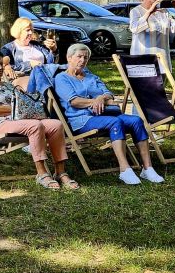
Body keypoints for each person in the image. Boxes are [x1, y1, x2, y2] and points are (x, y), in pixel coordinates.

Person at [54, 43, 164, 185]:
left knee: (136, 120)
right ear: (69, 58)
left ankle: (147, 168)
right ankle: (125, 169)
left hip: (105, 114)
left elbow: (109, 95)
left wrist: (101, 98)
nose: (82, 60)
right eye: (79, 56)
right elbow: (74, 101)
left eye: (85, 58)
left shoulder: (92, 77)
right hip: (82, 119)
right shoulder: (62, 78)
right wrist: (95, 101)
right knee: (115, 122)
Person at [0, 48, 77, 190]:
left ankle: (60, 172)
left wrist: (27, 106)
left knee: (56, 124)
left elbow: (24, 102)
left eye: (1, 64)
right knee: (35, 126)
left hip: (20, 121)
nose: (0, 67)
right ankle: (42, 173)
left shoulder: (9, 86)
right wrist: (18, 108)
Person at [130, 0, 175, 70]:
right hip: (143, 63)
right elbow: (135, 29)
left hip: (163, 62)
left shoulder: (163, 12)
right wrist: (149, 12)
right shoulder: (136, 11)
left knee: (164, 80)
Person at [1, 17, 56, 89]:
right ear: (19, 31)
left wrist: (53, 50)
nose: (30, 33)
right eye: (27, 30)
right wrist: (29, 64)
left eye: (31, 30)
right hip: (25, 80)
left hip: (45, 76)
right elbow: (6, 67)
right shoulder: (8, 48)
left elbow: (50, 63)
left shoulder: (37, 45)